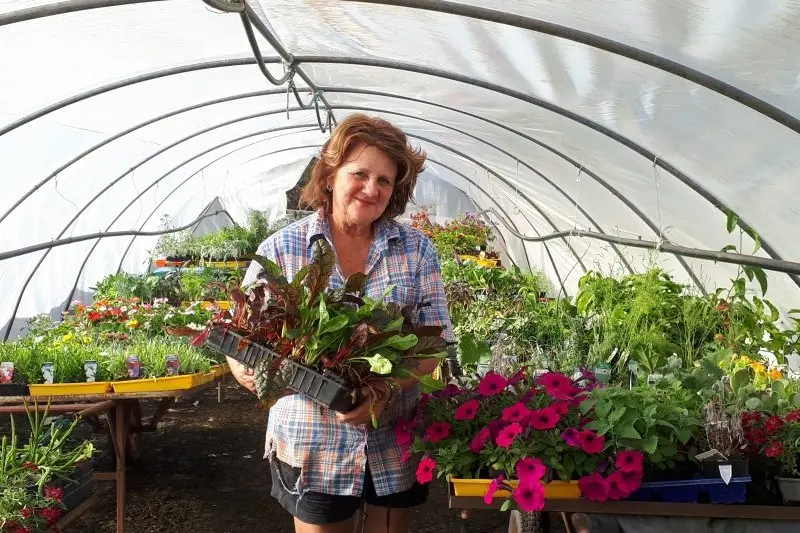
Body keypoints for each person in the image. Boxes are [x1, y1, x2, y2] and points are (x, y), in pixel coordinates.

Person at [227, 113, 455, 533]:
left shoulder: (416, 249)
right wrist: (250, 370)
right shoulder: (282, 248)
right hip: (313, 441)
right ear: (330, 175)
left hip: (391, 437)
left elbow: (435, 342)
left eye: (384, 181)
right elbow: (242, 342)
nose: (372, 189)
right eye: (360, 174)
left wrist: (384, 389)